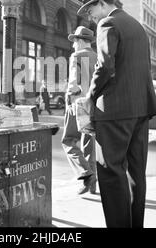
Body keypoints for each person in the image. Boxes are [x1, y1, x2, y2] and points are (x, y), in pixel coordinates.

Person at [77, 0, 156, 228]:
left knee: (111, 174)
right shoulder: (137, 26)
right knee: (136, 174)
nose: (91, 18)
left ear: (103, 3)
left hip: (114, 111)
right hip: (141, 109)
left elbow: (105, 67)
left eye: (91, 11)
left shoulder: (108, 24)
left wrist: (90, 96)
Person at [61, 26, 97, 195]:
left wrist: (69, 101)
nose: (73, 45)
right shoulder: (97, 57)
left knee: (68, 140)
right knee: (89, 144)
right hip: (94, 106)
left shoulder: (77, 56)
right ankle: (92, 184)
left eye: (75, 41)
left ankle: (84, 172)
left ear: (81, 41)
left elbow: (74, 84)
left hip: (78, 105)